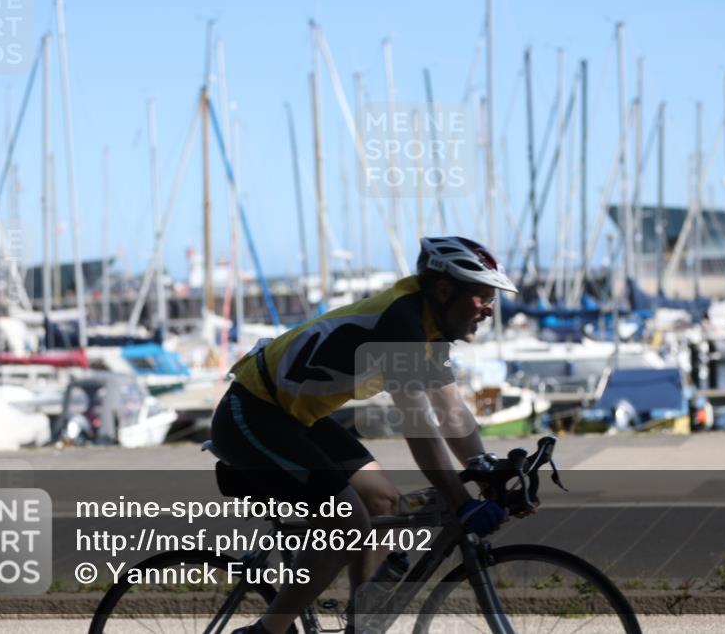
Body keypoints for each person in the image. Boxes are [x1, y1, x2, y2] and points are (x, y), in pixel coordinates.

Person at [210, 236, 518, 634]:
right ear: (444, 289)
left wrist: (484, 467)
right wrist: (462, 501)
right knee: (350, 522)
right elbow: (418, 422)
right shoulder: (400, 323)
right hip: (250, 412)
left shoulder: (430, 329)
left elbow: (450, 411)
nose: (489, 308)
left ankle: (362, 626)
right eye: (481, 296)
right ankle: (266, 631)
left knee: (384, 502)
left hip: (295, 416)